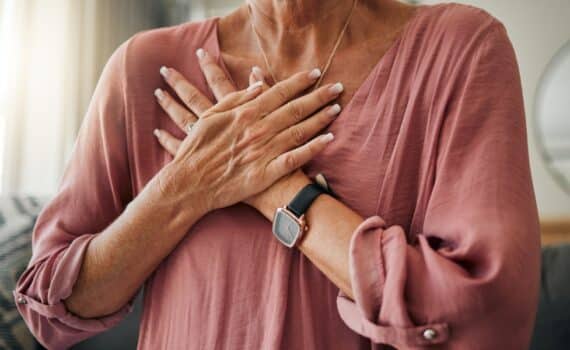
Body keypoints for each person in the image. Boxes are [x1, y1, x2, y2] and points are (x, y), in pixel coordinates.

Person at [13, 0, 541, 349]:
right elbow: (51, 308)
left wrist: (279, 189)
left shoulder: (461, 49)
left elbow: (485, 318)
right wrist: (186, 185)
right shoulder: (144, 66)